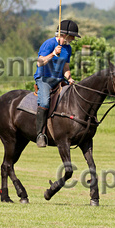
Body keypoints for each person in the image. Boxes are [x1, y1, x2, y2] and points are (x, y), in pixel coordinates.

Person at [34, 19, 81, 147]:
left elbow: (66, 67)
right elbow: (40, 62)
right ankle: (40, 134)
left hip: (59, 79)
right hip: (44, 79)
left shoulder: (68, 48)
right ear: (64, 35)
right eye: (72, 36)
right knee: (44, 102)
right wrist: (53, 53)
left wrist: (70, 78)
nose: (73, 39)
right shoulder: (48, 44)